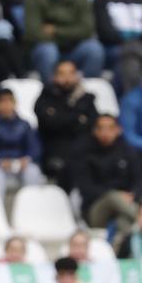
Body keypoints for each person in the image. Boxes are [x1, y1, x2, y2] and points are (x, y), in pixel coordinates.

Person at [74, 113, 142, 247]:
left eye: (110, 128)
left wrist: (133, 195)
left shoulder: (128, 152)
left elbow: (139, 182)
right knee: (112, 197)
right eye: (101, 128)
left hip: (123, 207)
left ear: (118, 130)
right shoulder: (84, 154)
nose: (105, 132)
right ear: (95, 131)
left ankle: (117, 253)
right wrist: (117, 195)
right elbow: (86, 189)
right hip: (96, 210)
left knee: (124, 222)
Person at [25, 0, 102, 79]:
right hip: (45, 47)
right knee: (48, 51)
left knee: (94, 49)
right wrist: (71, 34)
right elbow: (32, 32)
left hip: (74, 48)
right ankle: (51, 90)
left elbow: (87, 29)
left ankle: (84, 91)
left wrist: (55, 30)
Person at [35, 59, 99, 188]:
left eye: (70, 73)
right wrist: (78, 116)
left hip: (84, 152)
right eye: (62, 74)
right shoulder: (46, 96)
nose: (67, 78)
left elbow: (92, 125)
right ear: (54, 76)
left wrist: (61, 116)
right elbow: (51, 125)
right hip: (55, 153)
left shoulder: (86, 98)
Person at [0, 87, 43, 195]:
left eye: (9, 100)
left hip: (20, 164)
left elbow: (36, 148)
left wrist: (26, 159)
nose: (6, 105)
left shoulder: (24, 124)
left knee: (33, 171)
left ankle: (32, 208)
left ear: (15, 103)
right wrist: (0, 161)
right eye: (2, 101)